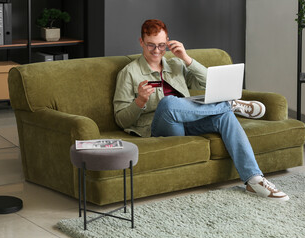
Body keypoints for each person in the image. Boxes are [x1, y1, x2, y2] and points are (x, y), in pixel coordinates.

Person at [113, 19, 289, 201]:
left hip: (188, 122)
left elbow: (209, 83)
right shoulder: (129, 73)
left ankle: (254, 180)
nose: (157, 51)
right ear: (141, 42)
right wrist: (140, 101)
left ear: (168, 42)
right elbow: (121, 119)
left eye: (162, 45)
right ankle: (229, 103)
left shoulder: (175, 65)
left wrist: (186, 59)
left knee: (225, 117)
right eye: (151, 45)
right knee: (168, 103)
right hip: (158, 127)